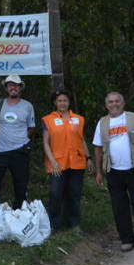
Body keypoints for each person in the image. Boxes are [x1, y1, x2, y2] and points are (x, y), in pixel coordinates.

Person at [93, 91, 134, 252]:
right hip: (113, 171)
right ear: (106, 105)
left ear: (123, 103)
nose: (114, 104)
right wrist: (98, 172)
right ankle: (127, 240)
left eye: (117, 101)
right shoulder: (102, 123)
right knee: (119, 207)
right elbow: (98, 148)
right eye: (111, 102)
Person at [41, 89, 94, 232]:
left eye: (65, 100)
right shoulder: (48, 120)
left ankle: (74, 224)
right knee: (55, 193)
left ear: (69, 102)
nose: (62, 103)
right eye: (59, 101)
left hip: (77, 162)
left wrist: (88, 157)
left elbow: (81, 140)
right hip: (57, 164)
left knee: (74, 194)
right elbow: (45, 142)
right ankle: (54, 225)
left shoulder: (78, 119)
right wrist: (52, 161)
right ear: (55, 103)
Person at [0, 74, 35, 209]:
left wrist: (21, 140)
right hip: (1, 151)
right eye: (10, 85)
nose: (13, 88)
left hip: (20, 151)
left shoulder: (28, 106)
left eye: (16, 85)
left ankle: (20, 212)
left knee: (21, 185)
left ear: (20, 88)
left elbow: (31, 128)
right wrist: (3, 138)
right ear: (6, 88)